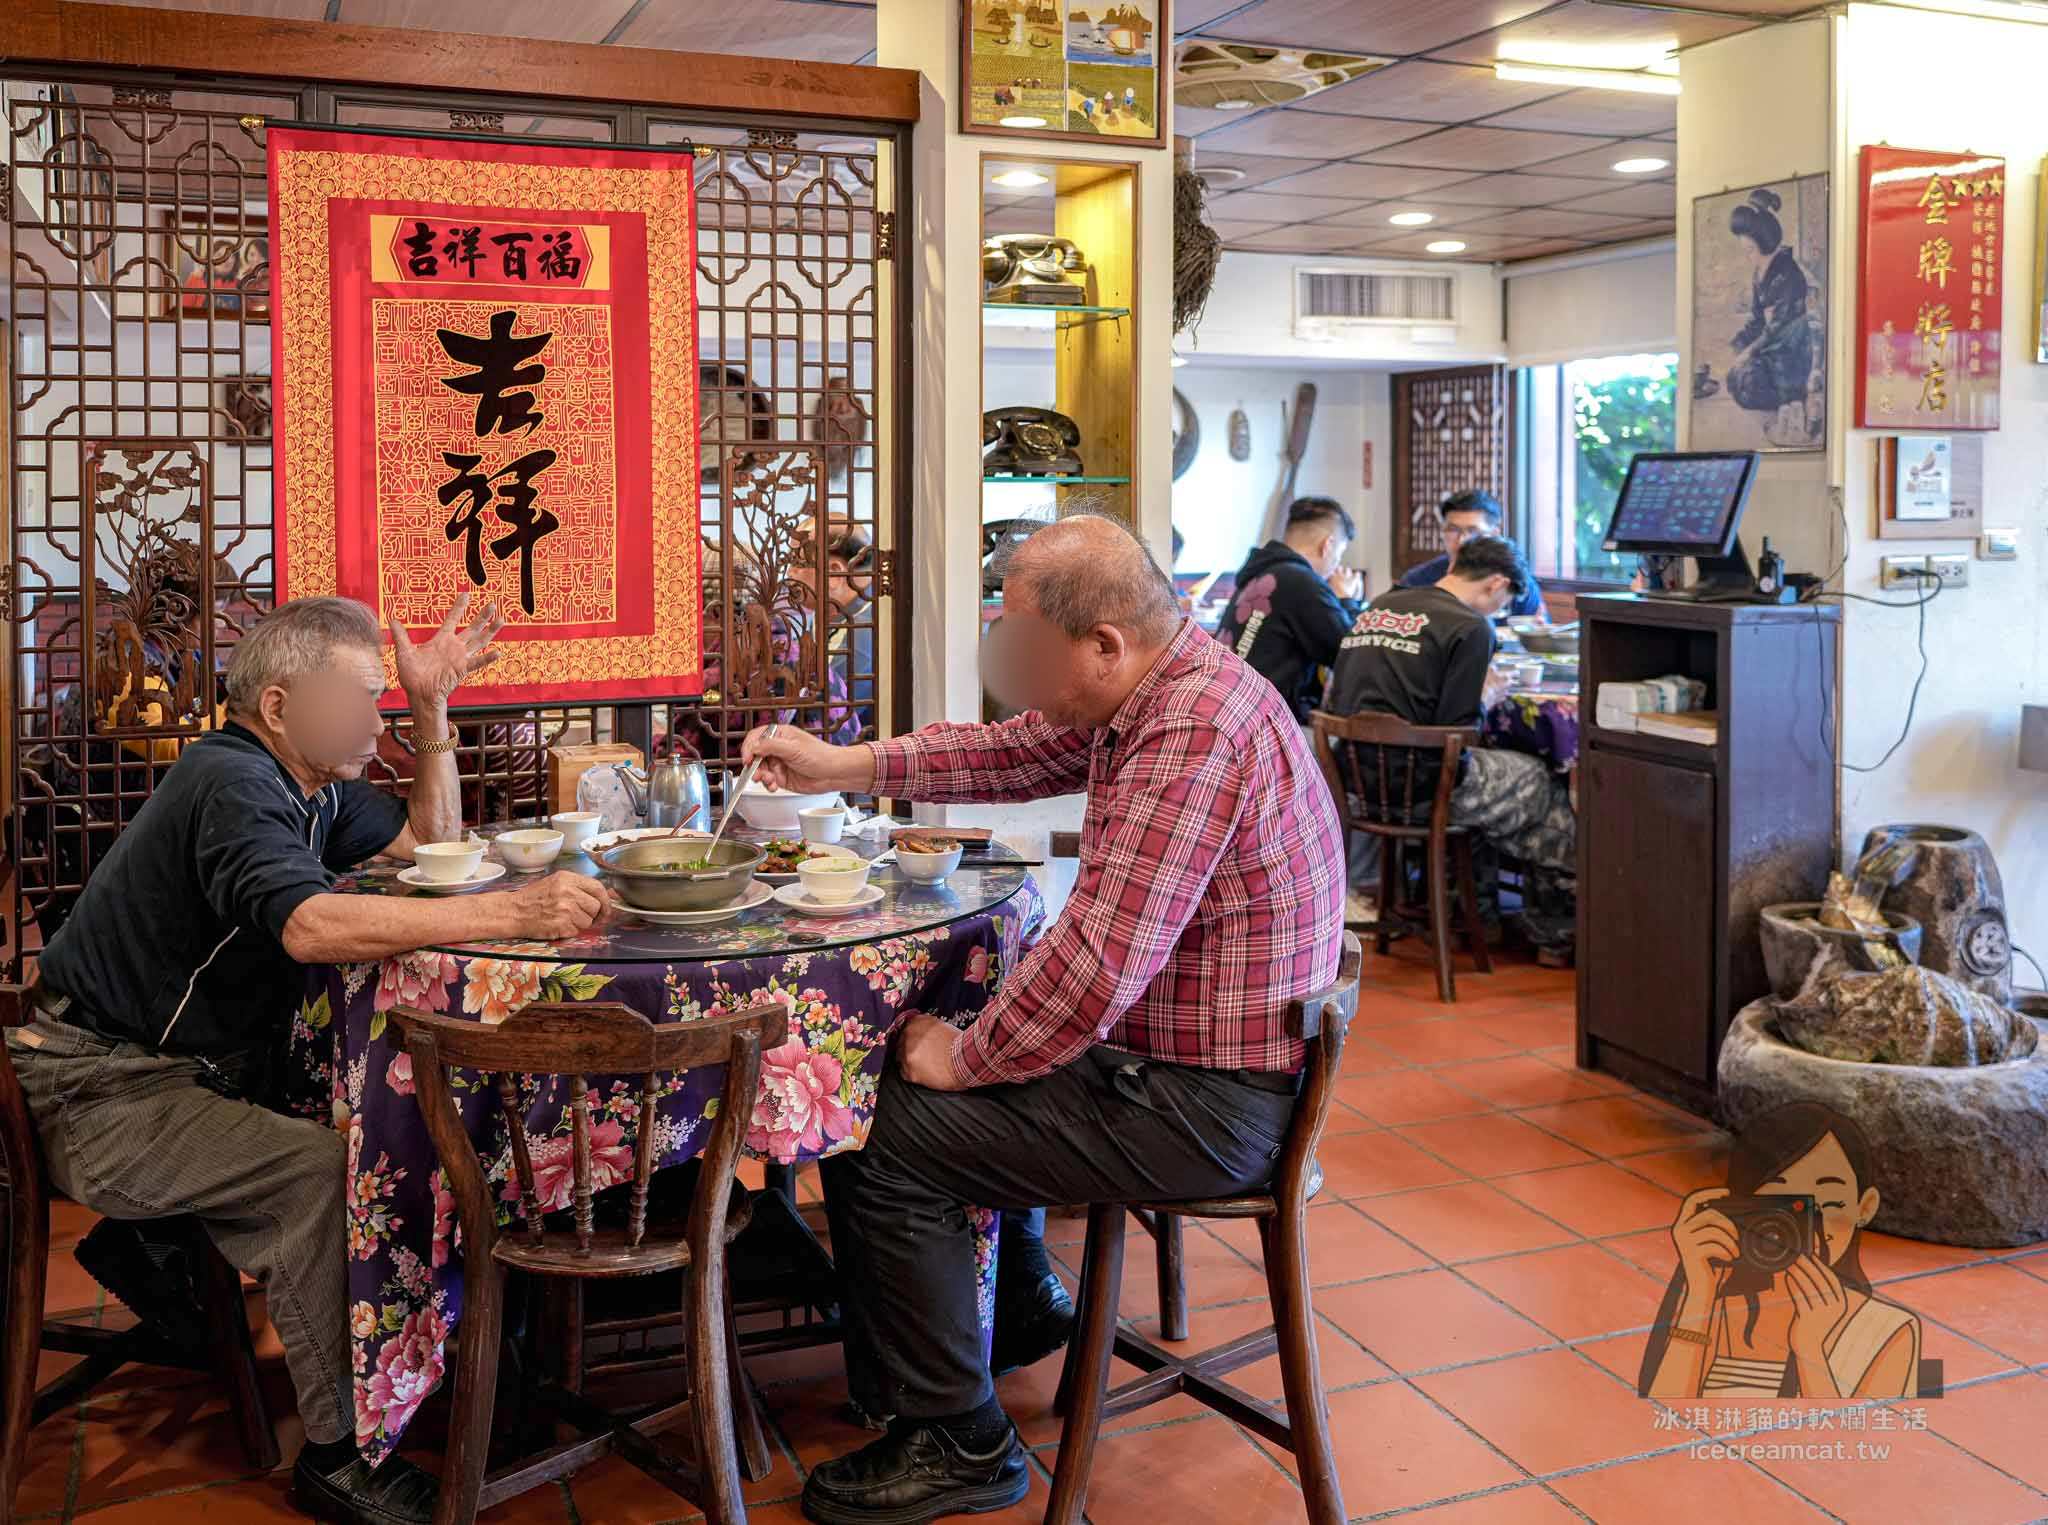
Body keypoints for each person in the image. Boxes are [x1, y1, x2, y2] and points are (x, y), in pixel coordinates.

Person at [741, 514, 1345, 1525]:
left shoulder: (1193, 728)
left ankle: (957, 1436)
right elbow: (1009, 755)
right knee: (977, 1042)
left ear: (1103, 643)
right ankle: (1015, 1306)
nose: (1005, 659)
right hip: (1181, 1066)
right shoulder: (1158, 688)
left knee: (872, 1126)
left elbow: (1098, 969)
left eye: (1021, 637)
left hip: (1209, 1105)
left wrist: (966, 1060)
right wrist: (840, 767)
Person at [4, 594, 608, 1525]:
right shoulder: (234, 781)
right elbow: (307, 924)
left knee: (388, 1125)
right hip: (95, 1085)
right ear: (281, 705)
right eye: (364, 696)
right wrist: (515, 914)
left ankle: (171, 1252)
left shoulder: (313, 785)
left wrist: (432, 705)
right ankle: (340, 1456)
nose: (378, 719)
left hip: (177, 1070)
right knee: (324, 1173)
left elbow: (436, 847)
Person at [1326, 534, 1574, 884]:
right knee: (1540, 780)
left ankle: (1472, 904)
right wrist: (1485, 698)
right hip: (1422, 787)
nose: (1500, 611)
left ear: (1456, 565)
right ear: (1497, 584)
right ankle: (1551, 917)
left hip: (1353, 777)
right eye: (1505, 603)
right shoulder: (1471, 627)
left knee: (1504, 792)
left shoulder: (1380, 605)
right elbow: (1460, 734)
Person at [1641, 1103, 1922, 1400]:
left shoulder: (1887, 1331)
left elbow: (1847, 1443)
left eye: (1827, 1202)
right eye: (1783, 1205)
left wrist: (1810, 1348)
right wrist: (1699, 1295)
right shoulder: (1710, 1299)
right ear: (1743, 1206)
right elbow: (1664, 1417)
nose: (1806, 1223)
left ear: (1864, 1208)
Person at [1214, 495, 1365, 726]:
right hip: (1265, 727)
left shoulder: (1260, 571)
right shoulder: (1302, 582)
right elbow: (1349, 654)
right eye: (1339, 555)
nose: (1336, 564)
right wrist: (1347, 600)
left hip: (1231, 714)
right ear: (1328, 545)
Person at [1725, 186, 1817, 446]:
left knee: (1760, 370)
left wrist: (1750, 352)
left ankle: (1793, 413)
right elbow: (1756, 319)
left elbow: (1778, 326)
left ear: (1764, 244)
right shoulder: (1759, 275)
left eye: (1750, 251)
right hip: (1770, 344)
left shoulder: (1788, 274)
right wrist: (1738, 347)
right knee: (1738, 381)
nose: (1748, 257)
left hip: (1793, 344)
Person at [1398, 490, 1547, 619]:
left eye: (1473, 531)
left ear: (1494, 534)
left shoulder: (1515, 581)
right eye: (1453, 529)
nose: (1462, 540)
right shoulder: (1417, 580)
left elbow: (1535, 628)